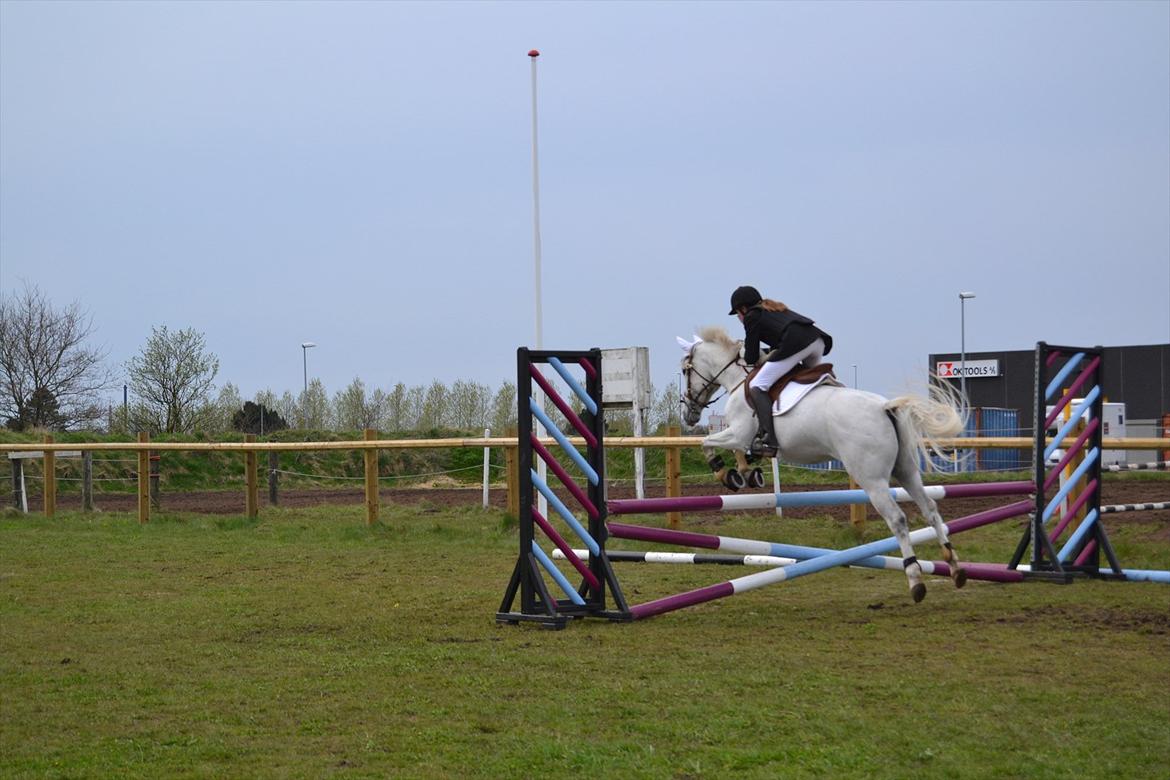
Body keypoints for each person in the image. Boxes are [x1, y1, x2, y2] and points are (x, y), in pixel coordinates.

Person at [728, 285, 834, 457]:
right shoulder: (772, 308)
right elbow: (777, 344)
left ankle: (769, 440)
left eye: (738, 314)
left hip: (798, 344)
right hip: (818, 342)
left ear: (743, 308)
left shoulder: (752, 316)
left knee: (757, 385)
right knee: (803, 383)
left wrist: (747, 351)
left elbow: (751, 358)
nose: (739, 318)